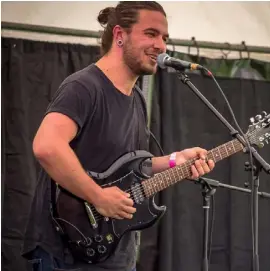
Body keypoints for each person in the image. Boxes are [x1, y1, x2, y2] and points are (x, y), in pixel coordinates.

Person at [22, 1, 215, 271]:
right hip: (66, 250)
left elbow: (129, 167)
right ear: (119, 35)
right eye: (151, 34)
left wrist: (175, 160)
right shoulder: (84, 86)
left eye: (164, 37)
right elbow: (47, 146)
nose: (161, 45)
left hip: (114, 253)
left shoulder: (136, 98)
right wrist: (98, 197)